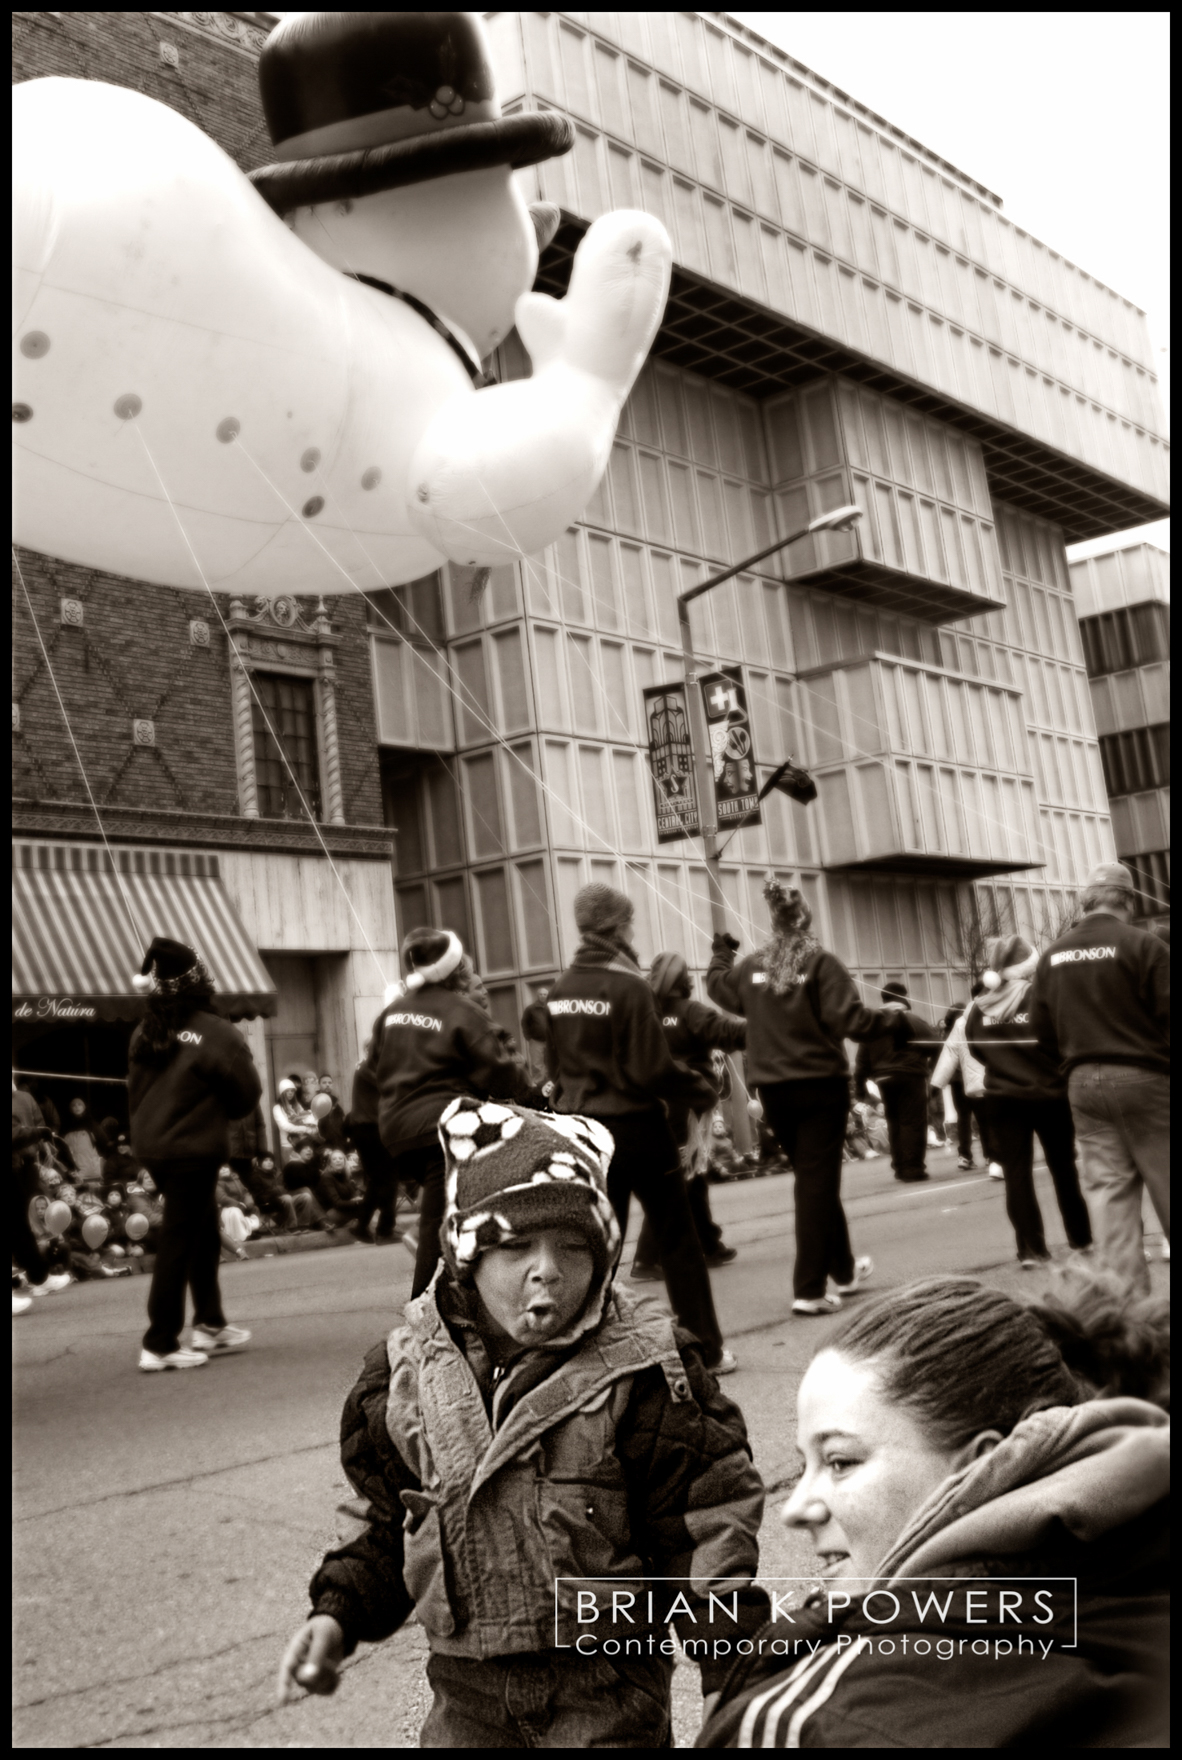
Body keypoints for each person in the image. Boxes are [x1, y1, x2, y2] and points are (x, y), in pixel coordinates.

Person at [276, 1101, 770, 1745]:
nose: (548, 1269)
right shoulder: (404, 1378)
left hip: (606, 1689)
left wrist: (736, 1674)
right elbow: (387, 1522)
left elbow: (704, 1529)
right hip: (466, 1695)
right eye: (515, 1247)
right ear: (466, 1257)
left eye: (573, 1246)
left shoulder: (646, 1372)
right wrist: (337, 1615)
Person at [699, 1271, 1168, 1748]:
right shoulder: (1137, 1567)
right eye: (805, 1465)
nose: (794, 1509)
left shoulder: (825, 1720)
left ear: (985, 1464)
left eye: (840, 1462)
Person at [545, 883, 734, 1372]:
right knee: (678, 1241)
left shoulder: (561, 989)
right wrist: (701, 1089)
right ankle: (706, 1350)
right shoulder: (630, 986)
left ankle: (584, 1352)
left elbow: (554, 1067)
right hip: (636, 1128)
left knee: (599, 1244)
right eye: (630, 922)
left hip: (584, 1131)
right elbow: (652, 1068)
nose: (634, 930)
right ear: (619, 927)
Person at [708, 882, 911, 1316]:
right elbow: (850, 1020)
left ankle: (843, 1269)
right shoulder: (821, 963)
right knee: (817, 1183)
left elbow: (718, 987)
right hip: (820, 1085)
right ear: (806, 920)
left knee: (815, 1180)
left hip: (774, 1091)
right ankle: (809, 1287)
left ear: (774, 922)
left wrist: (722, 952)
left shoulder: (752, 967)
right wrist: (893, 1020)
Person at [369, 927, 542, 1296]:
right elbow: (501, 1071)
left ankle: (471, 1298)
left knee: (453, 1211)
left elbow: (373, 1066)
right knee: (439, 1223)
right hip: (440, 1126)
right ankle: (421, 1314)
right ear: (455, 968)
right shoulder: (461, 1011)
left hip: (395, 1131)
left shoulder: (392, 1012)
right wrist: (532, 1095)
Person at [1031, 861, 1170, 1295]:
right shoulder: (1143, 945)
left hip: (1082, 1084)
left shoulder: (1052, 955)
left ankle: (1134, 1322)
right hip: (1146, 1080)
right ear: (1128, 900)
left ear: (1085, 901)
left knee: (1110, 1199)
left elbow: (1040, 1030)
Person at [128, 937, 262, 1372]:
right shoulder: (219, 1034)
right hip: (191, 1149)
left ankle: (209, 1321)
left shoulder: (145, 1031)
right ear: (200, 981)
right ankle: (160, 1341)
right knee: (180, 1240)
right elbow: (246, 1097)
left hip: (153, 1146)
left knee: (201, 1228)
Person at [965, 934, 1092, 1269]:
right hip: (1049, 1093)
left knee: (1016, 1174)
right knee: (1064, 1168)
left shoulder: (982, 1005)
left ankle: (1030, 1249)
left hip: (1002, 1097)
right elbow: (1063, 1040)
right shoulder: (1042, 997)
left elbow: (976, 1049)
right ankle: (1081, 1239)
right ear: (1030, 964)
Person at [631, 951, 745, 1280]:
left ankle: (708, 1243)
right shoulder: (690, 1012)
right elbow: (728, 1033)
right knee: (680, 1177)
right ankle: (647, 1258)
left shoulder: (644, 1016)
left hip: (654, 1102)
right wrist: (768, 1025)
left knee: (692, 1175)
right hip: (689, 1103)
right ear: (685, 982)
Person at [853, 981, 935, 1183]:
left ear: (884, 999)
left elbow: (862, 1059)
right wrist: (928, 1067)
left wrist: (860, 1086)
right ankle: (912, 1168)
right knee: (913, 1121)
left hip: (883, 1078)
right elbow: (935, 1045)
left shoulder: (873, 1024)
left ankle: (899, 1165)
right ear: (904, 998)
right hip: (911, 1075)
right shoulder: (914, 1020)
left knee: (895, 1121)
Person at [930, 983, 1004, 1178]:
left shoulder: (961, 1022)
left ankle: (982, 1157)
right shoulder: (1000, 1013)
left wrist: (937, 1083)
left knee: (973, 1118)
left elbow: (949, 1052)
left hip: (973, 1081)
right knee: (995, 1119)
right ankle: (995, 1158)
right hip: (998, 1077)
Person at [344, 1033, 401, 1246]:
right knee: (387, 1178)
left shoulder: (366, 1067)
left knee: (381, 1180)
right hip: (370, 1128)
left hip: (368, 1128)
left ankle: (366, 1226)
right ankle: (383, 1228)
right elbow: (392, 1088)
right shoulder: (369, 1067)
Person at [61, 1096, 104, 1189]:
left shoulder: (92, 1125)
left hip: (91, 1172)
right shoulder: (65, 1128)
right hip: (74, 1173)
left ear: (84, 1107)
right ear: (70, 1109)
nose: (76, 1107)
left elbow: (103, 1143)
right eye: (73, 1105)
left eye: (79, 1104)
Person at [273, 1077, 314, 1163]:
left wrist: (311, 1122)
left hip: (302, 1143)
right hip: (288, 1144)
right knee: (292, 1170)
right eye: (287, 1091)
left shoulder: (297, 1105)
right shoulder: (277, 1108)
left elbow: (306, 1118)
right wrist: (305, 1129)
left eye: (292, 1091)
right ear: (282, 1093)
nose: (290, 1093)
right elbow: (285, 1126)